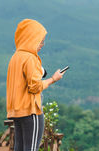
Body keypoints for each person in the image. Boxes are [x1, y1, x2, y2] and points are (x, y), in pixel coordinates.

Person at [6, 19, 65, 151]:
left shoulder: (15, 57)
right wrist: (53, 79)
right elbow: (35, 87)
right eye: (41, 40)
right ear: (31, 38)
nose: (42, 44)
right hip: (31, 110)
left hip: (17, 111)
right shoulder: (30, 58)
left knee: (19, 147)